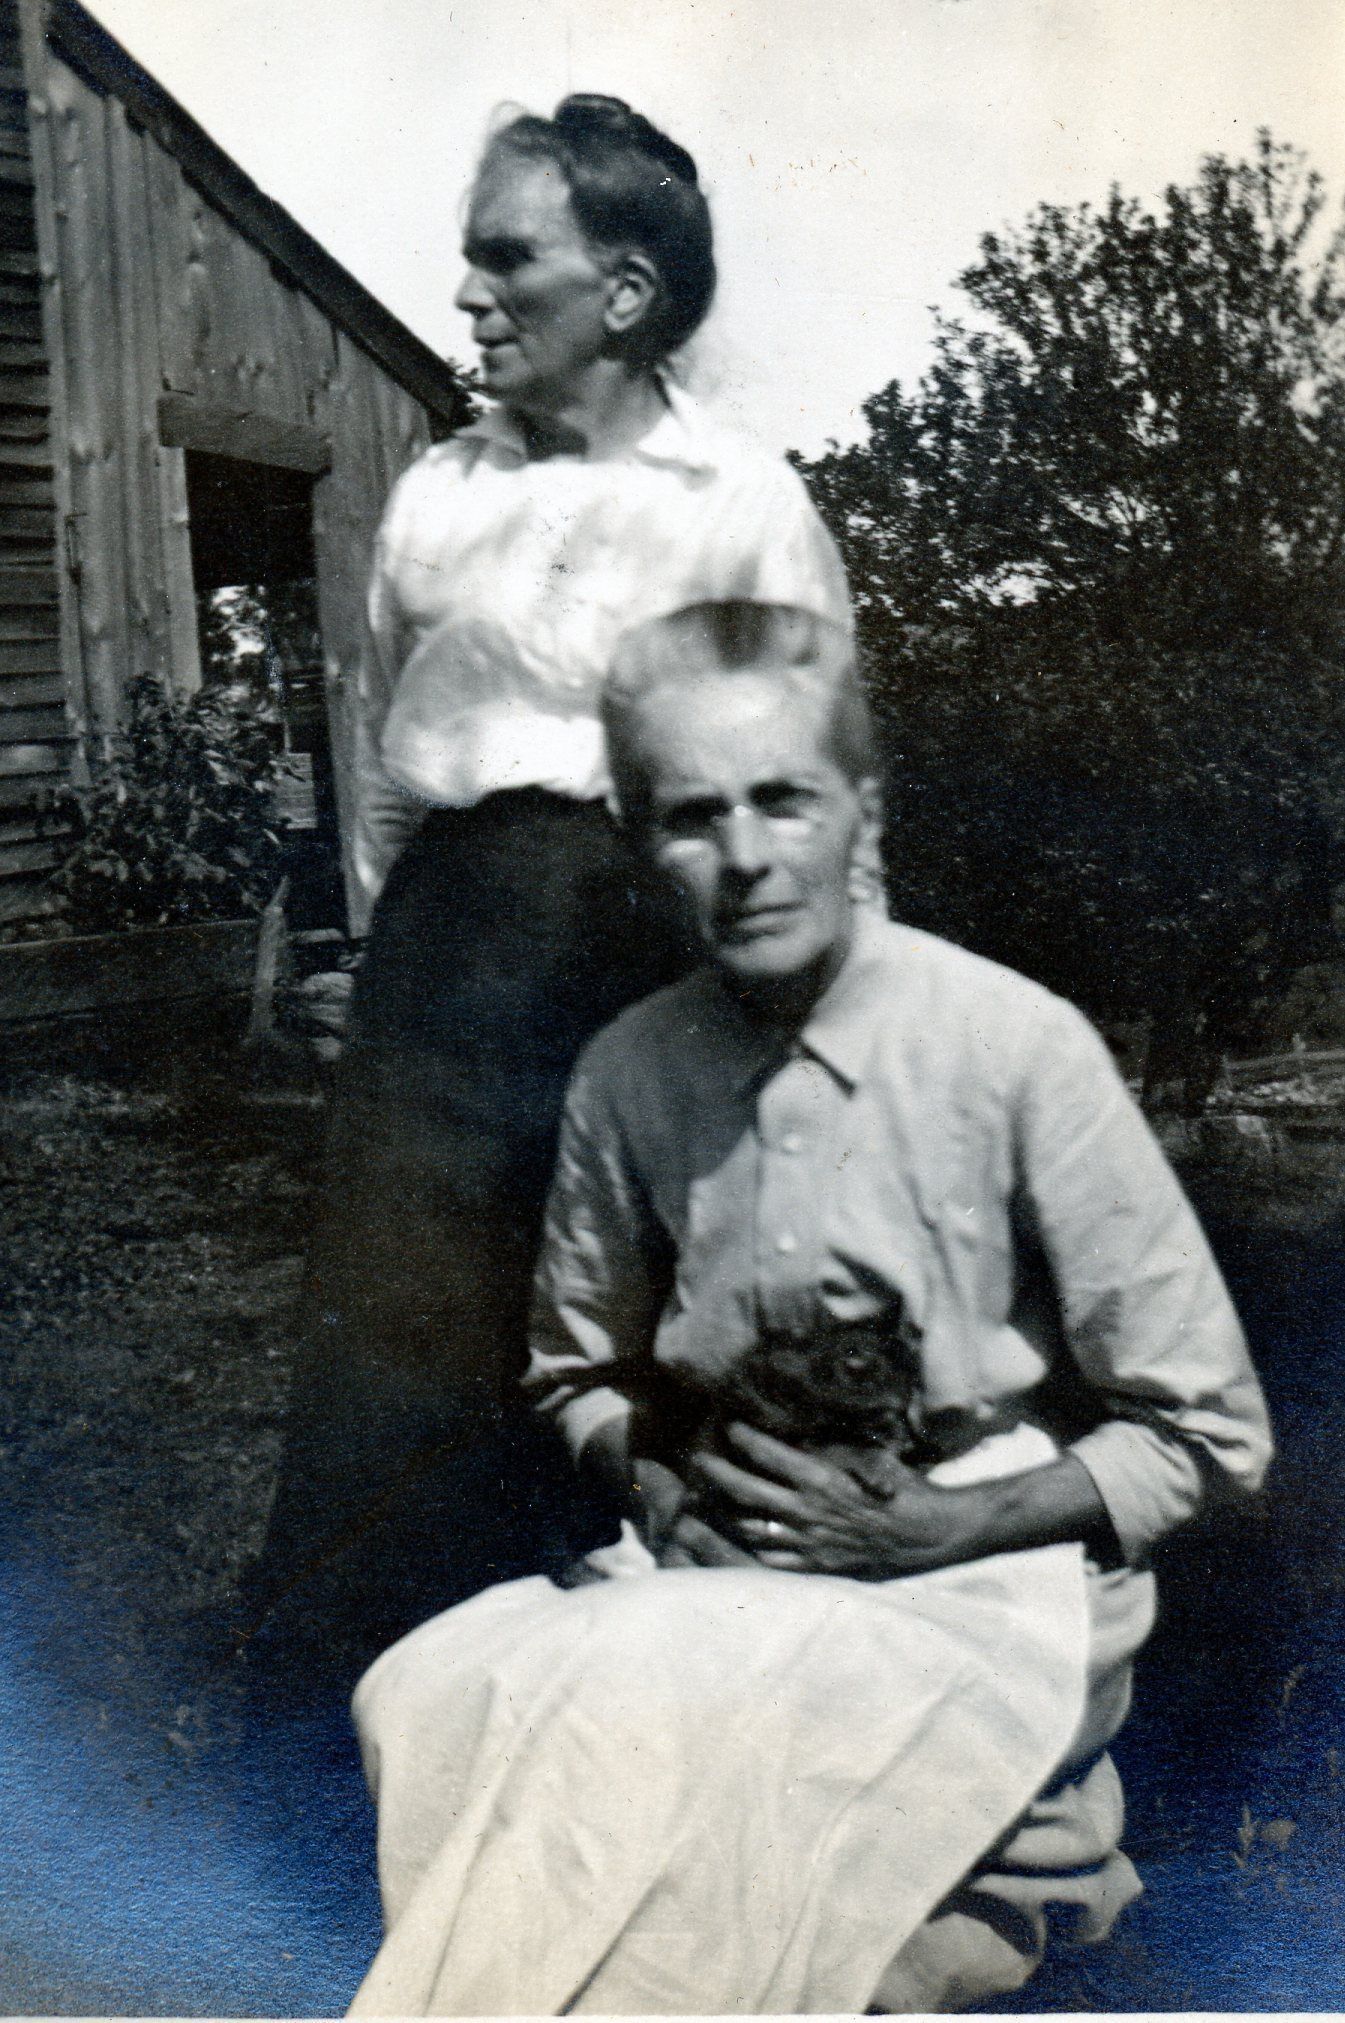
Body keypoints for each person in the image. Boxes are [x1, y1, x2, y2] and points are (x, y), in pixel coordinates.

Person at [349, 600, 1272, 2016]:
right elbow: (574, 1371)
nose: (744, 858)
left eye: (783, 799)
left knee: (688, 1801)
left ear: (861, 812)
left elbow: (1206, 1434)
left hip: (982, 1577)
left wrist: (939, 1527)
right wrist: (657, 1482)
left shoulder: (1014, 1048)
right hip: (722, 1556)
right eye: (690, 816)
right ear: (643, 845)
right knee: (438, 1693)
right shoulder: (631, 1073)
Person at [254, 106, 850, 1674]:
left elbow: (816, 784)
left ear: (628, 291)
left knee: (651, 1335)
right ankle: (372, 1714)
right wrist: (384, 954)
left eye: (508, 257)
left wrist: (825, 1033)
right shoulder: (437, 498)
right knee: (407, 1353)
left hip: (656, 954)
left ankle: (671, 1714)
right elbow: (391, 751)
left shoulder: (736, 500)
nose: (470, 294)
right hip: (451, 967)